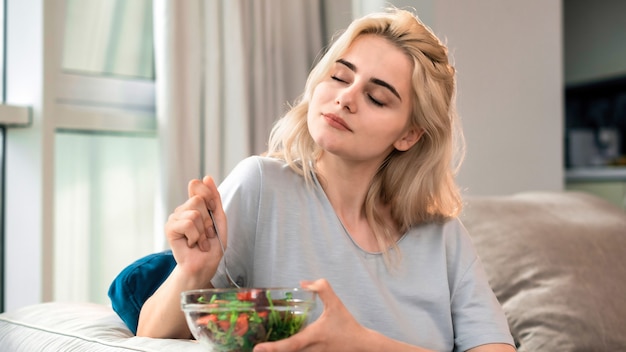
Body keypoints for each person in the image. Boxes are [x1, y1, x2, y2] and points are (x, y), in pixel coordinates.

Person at [137, 8, 516, 352]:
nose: (345, 98)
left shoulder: (444, 238)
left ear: (409, 135)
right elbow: (148, 337)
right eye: (339, 76)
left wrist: (362, 344)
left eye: (377, 98)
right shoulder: (261, 188)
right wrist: (193, 270)